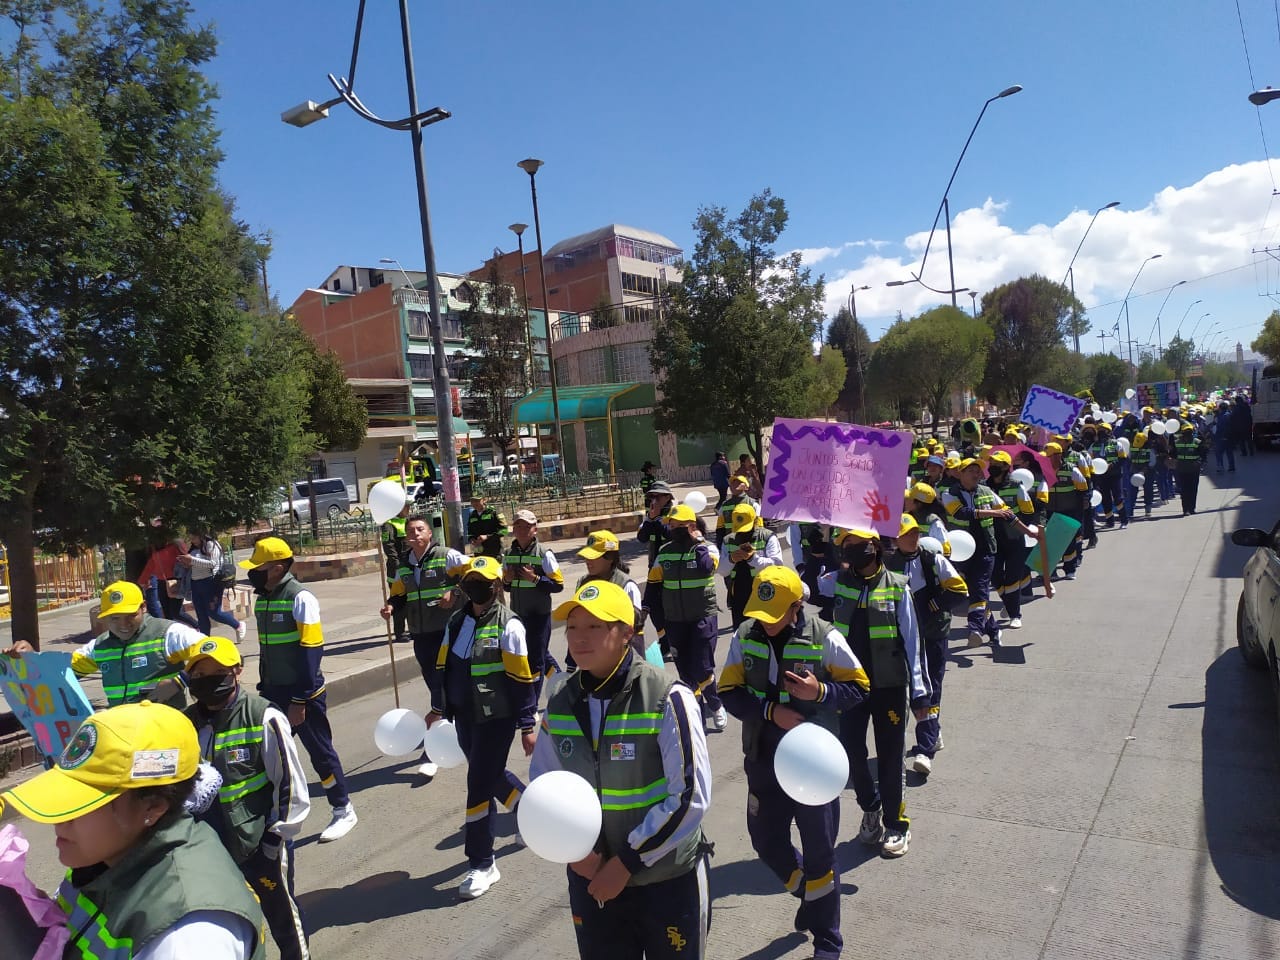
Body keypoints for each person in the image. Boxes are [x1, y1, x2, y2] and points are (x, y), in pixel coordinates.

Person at [0, 702, 267, 959]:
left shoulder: (186, 938)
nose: (61, 818)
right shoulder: (106, 857)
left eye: (82, 804)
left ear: (153, 807)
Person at [533, 580, 712, 959]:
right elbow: (546, 786)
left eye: (595, 627)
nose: (579, 639)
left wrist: (627, 862)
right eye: (573, 628)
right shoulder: (560, 702)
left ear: (626, 632)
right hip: (591, 878)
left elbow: (689, 797)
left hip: (666, 879)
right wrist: (576, 852)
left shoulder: (667, 696)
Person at [719, 566, 868, 959]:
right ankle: (808, 893)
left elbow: (858, 687)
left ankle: (827, 943)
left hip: (812, 765)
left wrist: (819, 691)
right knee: (765, 841)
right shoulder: (745, 635)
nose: (765, 625)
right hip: (763, 758)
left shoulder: (825, 636)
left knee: (821, 853)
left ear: (796, 606)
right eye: (760, 615)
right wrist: (770, 711)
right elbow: (729, 691)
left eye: (774, 616)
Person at [182, 637, 312, 960]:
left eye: (218, 672)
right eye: (199, 676)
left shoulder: (263, 716)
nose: (208, 680)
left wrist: (274, 840)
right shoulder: (185, 724)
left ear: (237, 670)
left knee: (282, 916)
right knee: (228, 920)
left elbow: (290, 784)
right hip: (210, 849)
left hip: (258, 844)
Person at [239, 537, 356, 843]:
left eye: (258, 567)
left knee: (320, 752)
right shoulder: (264, 598)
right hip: (274, 691)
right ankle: (275, 815)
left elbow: (311, 651)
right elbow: (268, 650)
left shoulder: (300, 598)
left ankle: (343, 808)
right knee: (271, 757)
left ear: (277, 568)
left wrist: (299, 699)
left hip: (302, 694)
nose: (253, 573)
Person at [819, 528, 928, 857]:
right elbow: (804, 586)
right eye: (845, 547)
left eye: (856, 545)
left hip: (890, 686)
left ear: (875, 547)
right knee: (851, 752)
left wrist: (921, 692)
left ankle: (897, 825)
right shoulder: (837, 582)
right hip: (850, 687)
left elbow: (912, 640)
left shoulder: (897, 587)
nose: (850, 552)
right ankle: (870, 808)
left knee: (891, 757)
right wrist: (820, 551)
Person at [433, 555, 535, 899]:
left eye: (482, 581)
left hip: (497, 717)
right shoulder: (457, 622)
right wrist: (439, 706)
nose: (474, 585)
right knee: (488, 775)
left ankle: (482, 863)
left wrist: (527, 724)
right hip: (464, 715)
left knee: (478, 784)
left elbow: (522, 680)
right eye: (469, 579)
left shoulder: (510, 625)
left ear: (495, 586)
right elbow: (443, 665)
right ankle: (526, 810)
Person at [7, 581, 201, 709]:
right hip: (126, 738)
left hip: (168, 733)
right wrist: (32, 658)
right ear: (105, 617)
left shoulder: (169, 634)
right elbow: (61, 671)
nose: (123, 625)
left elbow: (218, 651)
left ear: (143, 607)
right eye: (115, 618)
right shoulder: (99, 647)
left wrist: (179, 682)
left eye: (131, 616)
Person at [380, 514, 466, 777]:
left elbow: (476, 577)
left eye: (419, 529)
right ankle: (453, 726)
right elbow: (398, 595)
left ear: (430, 534)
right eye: (410, 531)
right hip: (420, 633)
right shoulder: (404, 565)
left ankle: (435, 745)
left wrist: (455, 592)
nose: (414, 534)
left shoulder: (447, 555)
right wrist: (391, 607)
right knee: (434, 682)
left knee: (441, 685)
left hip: (447, 631)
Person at [888, 517, 966, 776]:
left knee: (930, 687)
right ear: (895, 539)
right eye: (906, 534)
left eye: (914, 533)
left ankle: (925, 749)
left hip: (934, 634)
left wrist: (935, 604)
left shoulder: (933, 559)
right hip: (904, 638)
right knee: (909, 689)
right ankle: (934, 733)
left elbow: (959, 589)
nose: (912, 538)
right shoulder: (889, 564)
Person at [646, 503, 726, 732]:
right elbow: (653, 585)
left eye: (678, 526)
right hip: (675, 620)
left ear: (691, 526)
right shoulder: (665, 552)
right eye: (671, 525)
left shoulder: (708, 548)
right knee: (686, 671)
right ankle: (696, 713)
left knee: (702, 667)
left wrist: (698, 542)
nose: (673, 529)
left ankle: (715, 704)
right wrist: (645, 611)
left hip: (703, 617)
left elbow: (706, 568)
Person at [940, 458, 1008, 648]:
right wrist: (994, 514)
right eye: (971, 470)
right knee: (972, 591)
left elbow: (1005, 511)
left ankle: (975, 629)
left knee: (979, 589)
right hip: (961, 552)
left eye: (978, 471)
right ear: (961, 473)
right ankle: (993, 630)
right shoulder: (949, 493)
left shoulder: (987, 492)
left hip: (986, 549)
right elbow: (961, 513)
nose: (976, 474)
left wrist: (1030, 531)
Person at [503, 509, 565, 699]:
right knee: (533, 654)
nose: (522, 530)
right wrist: (507, 580)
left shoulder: (544, 553)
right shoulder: (508, 554)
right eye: (518, 526)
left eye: (527, 526)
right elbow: (507, 587)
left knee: (536, 659)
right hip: (518, 616)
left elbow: (558, 585)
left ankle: (532, 702)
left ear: (535, 529)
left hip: (539, 615)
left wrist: (536, 579)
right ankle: (563, 686)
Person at [575, 529, 658, 667]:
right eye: (587, 556)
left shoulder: (626, 586)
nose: (588, 561)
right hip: (592, 656)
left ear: (610, 558)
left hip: (620, 658)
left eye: (594, 556)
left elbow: (635, 629)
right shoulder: (583, 584)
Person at [986, 452, 1037, 629]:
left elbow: (1029, 512)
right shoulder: (984, 487)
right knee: (995, 576)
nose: (993, 466)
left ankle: (1015, 614)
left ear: (1007, 467)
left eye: (997, 464)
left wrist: (1019, 528)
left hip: (1014, 538)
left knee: (1013, 577)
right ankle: (1009, 602)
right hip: (993, 539)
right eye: (991, 462)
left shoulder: (1016, 486)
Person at [719, 502, 783, 628]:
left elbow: (777, 564)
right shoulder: (728, 540)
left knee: (764, 630)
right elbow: (721, 570)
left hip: (764, 592)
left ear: (754, 521)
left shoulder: (767, 537)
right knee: (741, 632)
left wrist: (753, 559)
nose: (743, 534)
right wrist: (731, 559)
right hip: (738, 593)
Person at [180, 531, 246, 643]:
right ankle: (204, 641)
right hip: (196, 583)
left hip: (211, 582)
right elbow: (195, 565)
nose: (192, 540)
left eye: (194, 537)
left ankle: (238, 625)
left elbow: (212, 563)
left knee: (214, 612)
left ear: (202, 535)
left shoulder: (211, 545)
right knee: (201, 615)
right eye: (190, 537)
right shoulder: (193, 549)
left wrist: (192, 560)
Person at [636, 479, 676, 660]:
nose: (653, 499)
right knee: (653, 606)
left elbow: (671, 534)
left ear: (667, 497)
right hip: (654, 568)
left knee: (670, 606)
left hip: (672, 568)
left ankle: (673, 641)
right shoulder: (650, 514)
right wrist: (651, 519)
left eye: (657, 496)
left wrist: (658, 519)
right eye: (651, 496)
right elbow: (642, 537)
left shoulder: (675, 512)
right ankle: (666, 640)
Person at [381, 502, 412, 644]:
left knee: (411, 600)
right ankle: (399, 632)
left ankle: (412, 629)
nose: (408, 510)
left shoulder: (408, 522)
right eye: (406, 507)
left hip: (410, 566)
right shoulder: (389, 524)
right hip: (397, 570)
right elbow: (389, 546)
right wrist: (398, 565)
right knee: (398, 600)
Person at [1169, 421, 1208, 515]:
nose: (1188, 434)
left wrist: (1199, 462)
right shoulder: (1177, 442)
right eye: (1186, 432)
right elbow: (1173, 455)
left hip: (1194, 470)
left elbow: (1203, 455)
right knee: (1184, 490)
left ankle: (1192, 508)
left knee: (1193, 489)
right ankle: (1185, 509)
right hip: (1182, 470)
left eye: (1189, 431)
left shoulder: (1197, 442)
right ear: (1182, 433)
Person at [715, 474, 762, 547]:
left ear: (745, 487)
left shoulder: (753, 504)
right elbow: (720, 529)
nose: (734, 484)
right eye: (732, 483)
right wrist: (720, 546)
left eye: (739, 482)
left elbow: (759, 526)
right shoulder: (724, 506)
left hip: (748, 545)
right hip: (730, 545)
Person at [467, 493, 508, 559]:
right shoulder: (472, 515)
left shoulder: (494, 512)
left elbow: (504, 530)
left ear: (484, 500)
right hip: (479, 552)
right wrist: (471, 539)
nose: (474, 503)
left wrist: (487, 537)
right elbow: (470, 531)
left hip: (494, 551)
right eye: (472, 501)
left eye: (477, 501)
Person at [1212, 402, 1236, 474]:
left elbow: (1220, 427)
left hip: (1221, 437)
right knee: (1229, 453)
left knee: (1219, 453)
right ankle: (1231, 467)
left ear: (1220, 408)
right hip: (1228, 437)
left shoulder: (1222, 416)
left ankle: (1220, 466)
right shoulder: (1229, 415)